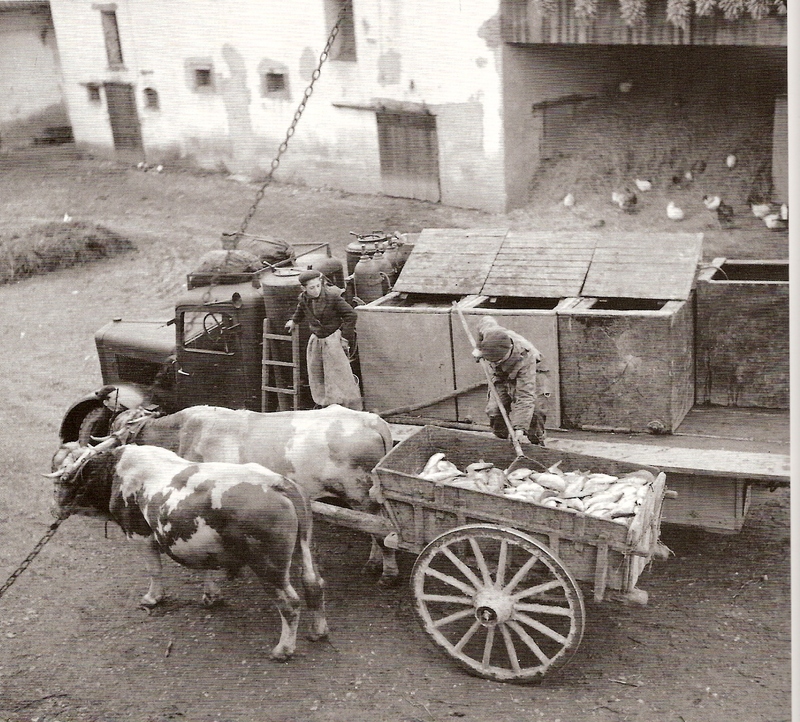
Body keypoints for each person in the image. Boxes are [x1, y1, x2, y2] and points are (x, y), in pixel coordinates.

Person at [285, 270, 363, 411]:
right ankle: (326, 405)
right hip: (316, 341)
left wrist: (345, 338)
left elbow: (351, 315)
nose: (316, 290)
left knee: (338, 374)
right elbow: (300, 310)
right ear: (304, 288)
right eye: (311, 288)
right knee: (317, 372)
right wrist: (294, 321)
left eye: (318, 286)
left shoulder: (332, 297)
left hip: (333, 340)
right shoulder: (303, 298)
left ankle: (348, 407)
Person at [472, 317, 546, 446]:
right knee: (494, 410)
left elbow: (525, 397)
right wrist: (479, 348)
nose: (495, 362)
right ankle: (504, 442)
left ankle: (537, 443)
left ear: (510, 348)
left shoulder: (526, 358)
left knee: (534, 413)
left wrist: (519, 428)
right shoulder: (492, 332)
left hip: (529, 374)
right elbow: (485, 320)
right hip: (501, 375)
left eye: (499, 360)